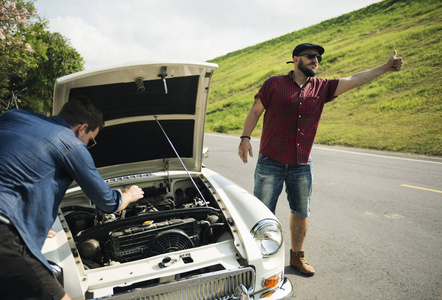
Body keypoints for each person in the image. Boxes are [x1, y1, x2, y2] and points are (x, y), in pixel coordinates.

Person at [238, 43, 403, 276]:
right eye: (311, 56)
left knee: (301, 211)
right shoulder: (274, 84)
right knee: (263, 213)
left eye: (319, 58)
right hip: (270, 161)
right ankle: (258, 260)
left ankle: (297, 258)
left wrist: (385, 68)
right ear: (296, 60)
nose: (316, 60)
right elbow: (256, 111)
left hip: (302, 164)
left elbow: (355, 79)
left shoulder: (322, 88)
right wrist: (245, 137)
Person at [0, 96, 145, 299]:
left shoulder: (13, 116)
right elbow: (107, 202)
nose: (88, 145)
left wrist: (34, 220)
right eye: (91, 140)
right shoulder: (71, 144)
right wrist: (128, 195)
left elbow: (16, 172)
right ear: (82, 128)